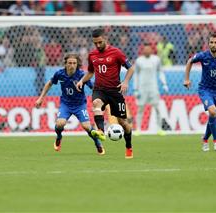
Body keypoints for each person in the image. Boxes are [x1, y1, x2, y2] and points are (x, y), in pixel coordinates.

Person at [76, 28, 135, 159]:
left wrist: (125, 82)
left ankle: (129, 146)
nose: (97, 45)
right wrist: (81, 81)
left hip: (115, 91)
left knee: (123, 123)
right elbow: (91, 72)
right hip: (99, 90)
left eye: (100, 42)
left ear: (105, 39)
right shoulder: (92, 55)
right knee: (96, 103)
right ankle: (101, 131)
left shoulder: (116, 52)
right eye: (95, 43)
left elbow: (131, 67)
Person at [35, 53, 105, 155]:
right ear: (65, 64)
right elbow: (49, 83)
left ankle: (97, 143)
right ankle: (59, 137)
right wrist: (41, 98)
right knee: (60, 124)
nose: (72, 65)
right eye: (69, 63)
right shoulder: (60, 74)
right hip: (66, 104)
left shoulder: (82, 75)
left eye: (74, 63)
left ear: (77, 64)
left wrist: (100, 97)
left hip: (79, 105)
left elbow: (93, 87)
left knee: (86, 126)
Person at [184, 33, 216, 152]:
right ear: (208, 43)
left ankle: (205, 139)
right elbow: (189, 61)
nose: (213, 44)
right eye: (211, 42)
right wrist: (186, 79)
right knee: (213, 111)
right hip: (205, 89)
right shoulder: (203, 55)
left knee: (213, 115)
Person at [134, 43, 168, 136]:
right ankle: (138, 129)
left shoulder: (156, 60)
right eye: (145, 49)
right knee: (140, 108)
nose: (147, 51)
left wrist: (164, 84)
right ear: (143, 50)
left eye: (148, 49)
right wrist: (135, 89)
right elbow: (136, 75)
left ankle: (159, 129)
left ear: (151, 50)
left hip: (153, 88)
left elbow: (160, 72)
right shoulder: (139, 61)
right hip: (142, 88)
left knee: (157, 108)